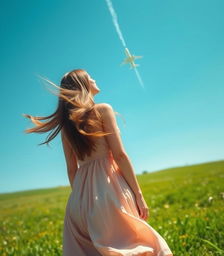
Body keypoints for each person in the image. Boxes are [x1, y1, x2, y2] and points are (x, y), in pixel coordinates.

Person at [23, 69, 173, 256]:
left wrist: (82, 199)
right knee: (136, 247)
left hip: (78, 201)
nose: (94, 79)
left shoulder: (66, 128)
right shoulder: (103, 110)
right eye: (90, 77)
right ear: (83, 85)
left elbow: (72, 170)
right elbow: (119, 155)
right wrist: (139, 195)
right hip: (109, 189)